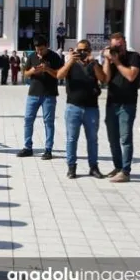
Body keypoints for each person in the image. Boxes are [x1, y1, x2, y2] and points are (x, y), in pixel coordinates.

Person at [56, 40, 106, 179]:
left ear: (90, 51)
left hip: (91, 108)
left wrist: (94, 63)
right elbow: (59, 75)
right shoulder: (71, 64)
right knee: (71, 139)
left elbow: (103, 79)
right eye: (80, 50)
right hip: (73, 107)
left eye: (85, 50)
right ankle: (71, 167)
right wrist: (70, 61)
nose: (82, 53)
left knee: (92, 139)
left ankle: (93, 167)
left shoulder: (94, 64)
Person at [101, 32, 140, 182]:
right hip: (112, 103)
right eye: (113, 46)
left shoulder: (134, 57)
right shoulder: (111, 59)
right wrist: (107, 60)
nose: (117, 49)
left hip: (128, 103)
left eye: (119, 45)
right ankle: (118, 167)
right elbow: (105, 79)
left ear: (124, 43)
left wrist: (117, 62)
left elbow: (131, 76)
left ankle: (126, 171)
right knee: (113, 138)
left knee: (125, 138)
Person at [17, 35, 63, 160]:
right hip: (33, 94)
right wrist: (32, 71)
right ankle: (27, 147)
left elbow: (60, 75)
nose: (39, 52)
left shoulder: (55, 57)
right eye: (37, 49)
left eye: (41, 49)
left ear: (47, 46)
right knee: (28, 120)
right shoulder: (32, 56)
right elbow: (25, 74)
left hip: (49, 95)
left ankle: (48, 150)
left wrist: (47, 69)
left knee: (48, 122)